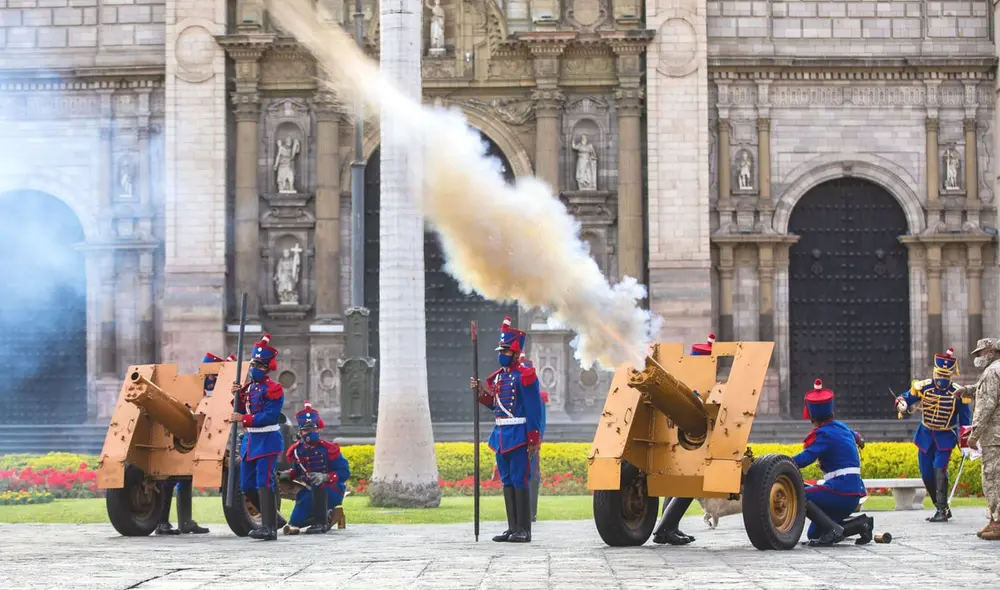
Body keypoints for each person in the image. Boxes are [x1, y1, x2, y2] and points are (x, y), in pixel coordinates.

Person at [471, 316, 543, 543]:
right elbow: (495, 405)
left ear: (514, 351)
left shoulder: (526, 376)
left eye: (505, 349)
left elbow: (533, 409)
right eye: (500, 349)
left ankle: (524, 529)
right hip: (501, 436)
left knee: (520, 480)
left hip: (520, 435)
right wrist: (481, 392)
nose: (501, 353)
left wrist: (533, 438)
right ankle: (512, 528)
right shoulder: (500, 377)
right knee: (507, 481)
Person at [155, 351, 232, 535]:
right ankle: (162, 522)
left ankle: (185, 522)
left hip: (201, 436)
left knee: (184, 480)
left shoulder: (211, 389)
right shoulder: (193, 387)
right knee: (169, 479)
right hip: (182, 436)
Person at [895, 348, 972, 522]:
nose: (942, 379)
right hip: (925, 435)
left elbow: (965, 420)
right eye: (939, 375)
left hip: (945, 436)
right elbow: (906, 398)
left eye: (945, 376)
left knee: (939, 470)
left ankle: (942, 510)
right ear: (935, 372)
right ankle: (940, 506)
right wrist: (902, 403)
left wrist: (966, 443)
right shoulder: (924, 386)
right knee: (926, 474)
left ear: (950, 375)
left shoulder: (958, 392)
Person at [793, 379, 873, 546]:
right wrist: (859, 440)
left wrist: (780, 462)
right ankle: (862, 524)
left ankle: (833, 530)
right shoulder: (841, 427)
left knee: (798, 494)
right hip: (851, 493)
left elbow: (806, 458)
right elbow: (857, 436)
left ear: (812, 417)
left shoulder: (824, 434)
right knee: (814, 534)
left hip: (841, 491)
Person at [652, 332, 714, 546]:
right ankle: (665, 529)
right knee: (688, 483)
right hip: (691, 438)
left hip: (681, 437)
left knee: (677, 483)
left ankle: (670, 527)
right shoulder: (697, 381)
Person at [230, 333, 285, 541]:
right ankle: (274, 517)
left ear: (267, 368)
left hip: (267, 439)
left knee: (264, 481)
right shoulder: (249, 388)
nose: (255, 369)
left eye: (259, 366)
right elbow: (240, 408)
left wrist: (243, 419)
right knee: (246, 485)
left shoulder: (274, 389)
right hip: (250, 441)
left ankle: (269, 528)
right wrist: (235, 395)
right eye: (254, 365)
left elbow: (269, 416)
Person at [278, 402, 351, 535]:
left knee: (319, 485)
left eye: (313, 429)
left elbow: (345, 472)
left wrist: (326, 477)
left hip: (331, 489)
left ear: (318, 430)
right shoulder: (296, 451)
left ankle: (321, 522)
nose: (311, 433)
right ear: (300, 432)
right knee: (294, 523)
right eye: (307, 430)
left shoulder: (328, 449)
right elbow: (297, 471)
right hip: (309, 490)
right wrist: (286, 475)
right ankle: (330, 515)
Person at [967, 338, 1000, 540]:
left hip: (994, 436)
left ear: (991, 350)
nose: (977, 357)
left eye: (980, 353)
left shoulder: (991, 372)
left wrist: (974, 434)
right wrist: (966, 390)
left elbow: (986, 405)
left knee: (993, 478)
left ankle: (997, 522)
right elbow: (982, 388)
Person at [519, 351, 548, 523]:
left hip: (531, 442)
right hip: (516, 439)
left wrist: (536, 441)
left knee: (532, 475)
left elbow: (540, 421)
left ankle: (531, 512)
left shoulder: (539, 397)